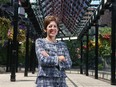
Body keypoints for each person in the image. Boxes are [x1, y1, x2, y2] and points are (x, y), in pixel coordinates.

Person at [35, 15, 72, 87]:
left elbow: (69, 63)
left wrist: (49, 57)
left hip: (61, 83)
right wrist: (59, 58)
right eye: (50, 26)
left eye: (55, 26)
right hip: (45, 82)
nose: (53, 28)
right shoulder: (40, 42)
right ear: (45, 29)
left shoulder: (63, 45)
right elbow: (42, 60)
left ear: (58, 29)